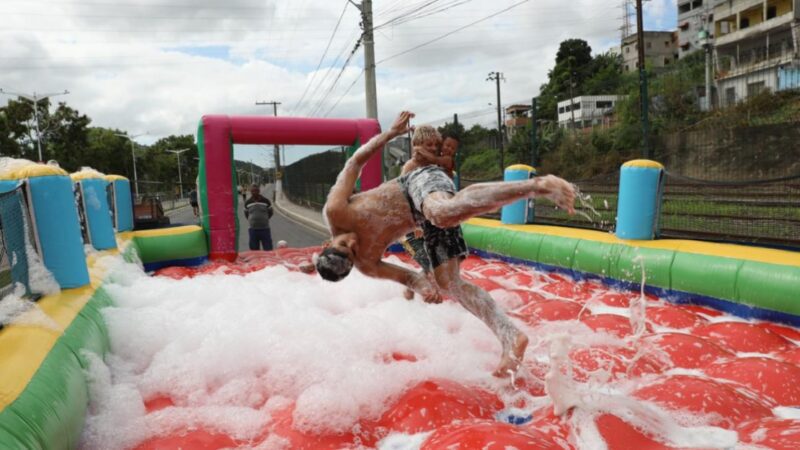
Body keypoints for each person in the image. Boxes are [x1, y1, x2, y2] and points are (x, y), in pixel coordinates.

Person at [317, 111, 576, 377]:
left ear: (328, 241)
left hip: (416, 185)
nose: (353, 242)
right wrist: (424, 288)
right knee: (448, 282)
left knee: (440, 212)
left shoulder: (336, 210)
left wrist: (391, 134)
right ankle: (511, 337)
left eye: (344, 242)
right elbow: (409, 278)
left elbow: (355, 163)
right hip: (425, 219)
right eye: (353, 250)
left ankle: (539, 186)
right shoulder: (368, 264)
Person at [400, 130, 460, 300]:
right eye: (445, 145)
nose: (437, 148)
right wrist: (415, 224)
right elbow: (405, 198)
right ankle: (412, 294)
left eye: (436, 145)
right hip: (413, 229)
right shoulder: (410, 167)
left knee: (439, 266)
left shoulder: (441, 163)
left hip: (430, 225)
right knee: (432, 268)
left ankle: (411, 290)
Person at [244, 184, 274, 251]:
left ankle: (268, 261)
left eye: (256, 191)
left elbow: (271, 212)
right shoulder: (247, 203)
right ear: (250, 192)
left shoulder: (266, 201)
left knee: (268, 249)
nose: (254, 192)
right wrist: (252, 220)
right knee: (254, 250)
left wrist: (265, 219)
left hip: (265, 229)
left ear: (259, 191)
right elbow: (246, 214)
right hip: (253, 230)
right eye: (252, 191)